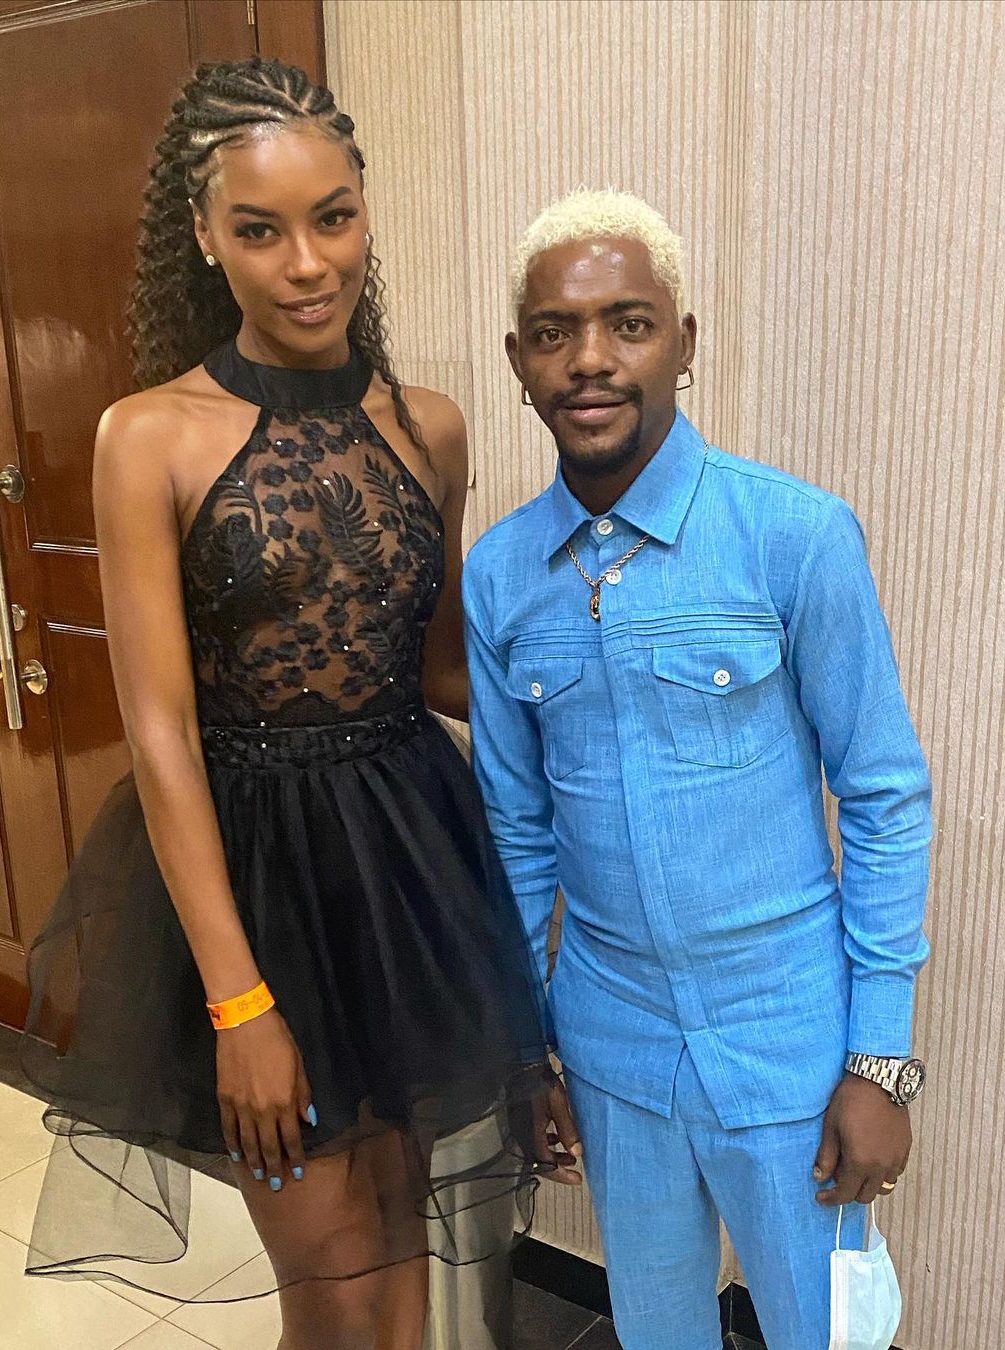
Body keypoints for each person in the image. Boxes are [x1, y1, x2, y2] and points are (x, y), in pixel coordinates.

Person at [20, 59, 578, 1350]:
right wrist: (240, 1003)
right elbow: (160, 728)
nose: (308, 263)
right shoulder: (147, 436)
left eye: (332, 217)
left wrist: (593, 711)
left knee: (401, 1276)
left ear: (365, 210)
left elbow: (436, 667)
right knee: (330, 1298)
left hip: (410, 868)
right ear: (205, 236)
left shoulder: (429, 426)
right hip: (258, 883)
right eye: (261, 230)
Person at [462, 189, 932, 1350]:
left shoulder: (794, 535)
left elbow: (884, 796)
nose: (591, 360)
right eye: (555, 332)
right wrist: (529, 1051)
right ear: (519, 362)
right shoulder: (500, 575)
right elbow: (516, 834)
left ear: (683, 342)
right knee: (657, 1327)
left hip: (787, 1028)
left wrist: (879, 1063)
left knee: (825, 1331)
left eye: (629, 324)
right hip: (610, 1034)